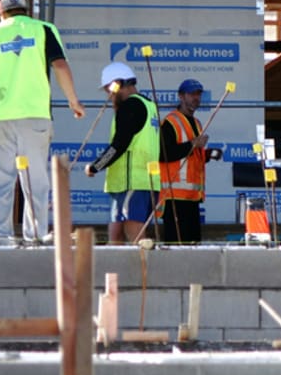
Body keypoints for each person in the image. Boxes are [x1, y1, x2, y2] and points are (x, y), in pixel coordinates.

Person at [0, 0, 85, 247]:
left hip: (1, 118)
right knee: (35, 179)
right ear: (26, 11)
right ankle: (36, 236)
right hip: (35, 117)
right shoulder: (44, 29)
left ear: (1, 13)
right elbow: (61, 66)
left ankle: (0, 237)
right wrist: (73, 101)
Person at [85, 62, 160, 245]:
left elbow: (119, 145)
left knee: (136, 239)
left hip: (133, 183)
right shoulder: (149, 106)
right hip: (138, 183)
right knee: (115, 237)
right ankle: (116, 273)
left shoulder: (130, 107)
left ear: (117, 84)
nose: (109, 95)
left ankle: (142, 273)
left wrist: (96, 166)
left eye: (109, 89)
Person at [159, 78, 216, 244]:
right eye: (191, 94)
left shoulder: (196, 123)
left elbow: (191, 158)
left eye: (198, 94)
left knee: (193, 246)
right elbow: (163, 154)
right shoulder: (170, 122)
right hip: (174, 197)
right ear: (181, 96)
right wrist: (192, 144)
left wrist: (207, 155)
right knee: (176, 246)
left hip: (192, 197)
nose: (196, 98)